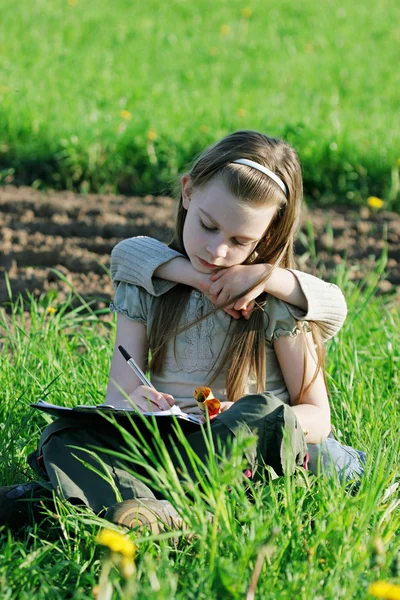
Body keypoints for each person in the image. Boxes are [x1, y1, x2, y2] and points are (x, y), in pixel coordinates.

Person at [0, 130, 365, 533]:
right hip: (171, 446)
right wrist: (136, 402)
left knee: (263, 416)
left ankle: (97, 503)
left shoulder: (277, 303)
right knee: (64, 434)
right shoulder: (150, 285)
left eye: (240, 241)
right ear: (187, 193)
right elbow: (118, 397)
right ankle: (166, 511)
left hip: (245, 451)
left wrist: (270, 278)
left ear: (268, 237)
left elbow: (317, 417)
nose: (217, 251)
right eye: (208, 227)